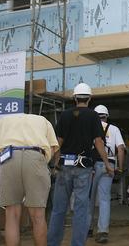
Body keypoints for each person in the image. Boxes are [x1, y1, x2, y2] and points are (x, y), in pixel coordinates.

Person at [47, 83, 114, 246]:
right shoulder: (93, 116)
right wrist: (107, 163)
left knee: (58, 209)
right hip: (84, 167)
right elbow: (98, 142)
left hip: (64, 166)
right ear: (89, 98)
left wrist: (55, 163)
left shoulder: (65, 115)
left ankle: (53, 243)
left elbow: (58, 142)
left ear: (74, 98)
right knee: (81, 210)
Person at [0, 113, 59, 246]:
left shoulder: (4, 120)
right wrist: (40, 162)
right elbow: (52, 147)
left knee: (12, 215)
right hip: (35, 155)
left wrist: (3, 163)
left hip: (9, 157)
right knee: (38, 216)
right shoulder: (43, 120)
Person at [88, 105, 126, 243]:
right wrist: (120, 168)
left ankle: (88, 228)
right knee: (104, 199)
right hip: (109, 165)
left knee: (89, 199)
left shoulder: (89, 127)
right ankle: (102, 231)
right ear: (106, 116)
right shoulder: (114, 129)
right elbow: (120, 148)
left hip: (92, 165)